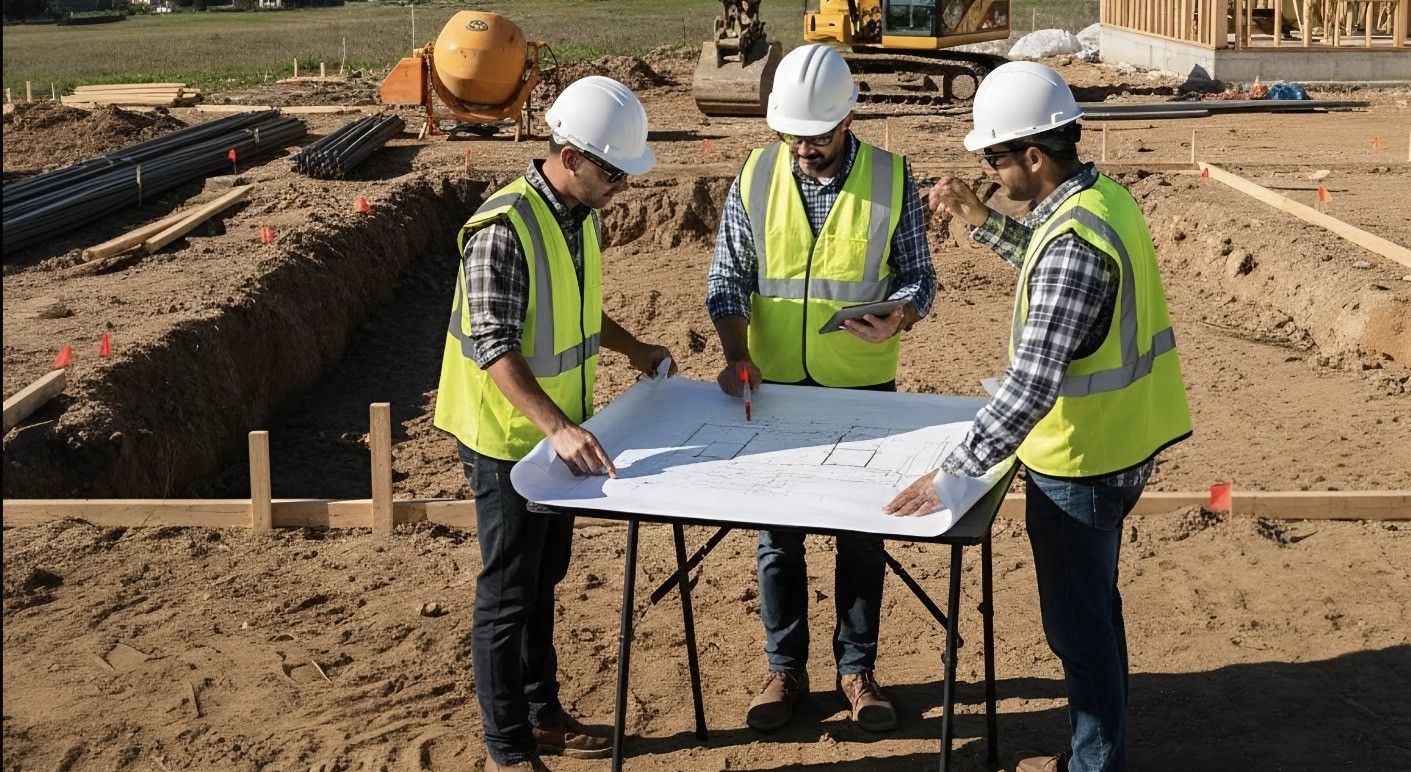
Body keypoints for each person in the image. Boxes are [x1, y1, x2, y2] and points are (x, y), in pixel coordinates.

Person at [886, 62, 1193, 772]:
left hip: (1081, 465)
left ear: (1032, 155)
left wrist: (953, 472)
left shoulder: (1074, 245)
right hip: (1120, 443)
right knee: (1096, 614)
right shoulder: (1098, 200)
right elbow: (1045, 262)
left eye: (994, 159)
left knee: (1079, 633)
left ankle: (1093, 766)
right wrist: (982, 223)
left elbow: (1028, 387)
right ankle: (1096, 755)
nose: (989, 173)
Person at [434, 75, 675, 772]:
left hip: (551, 437)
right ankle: (509, 750)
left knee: (543, 581)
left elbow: (576, 310)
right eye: (613, 173)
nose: (622, 187)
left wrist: (634, 349)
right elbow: (495, 346)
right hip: (505, 439)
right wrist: (557, 429)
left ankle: (542, 716)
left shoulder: (577, 216)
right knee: (508, 594)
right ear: (569, 157)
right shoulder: (503, 230)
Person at [705, 43, 937, 734]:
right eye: (792, 136)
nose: (804, 149)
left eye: (818, 137)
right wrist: (736, 353)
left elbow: (919, 277)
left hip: (862, 389)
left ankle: (857, 672)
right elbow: (727, 277)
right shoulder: (755, 174)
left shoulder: (892, 178)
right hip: (775, 387)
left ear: (849, 119)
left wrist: (901, 313)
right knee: (779, 540)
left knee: (861, 537)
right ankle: (785, 671)